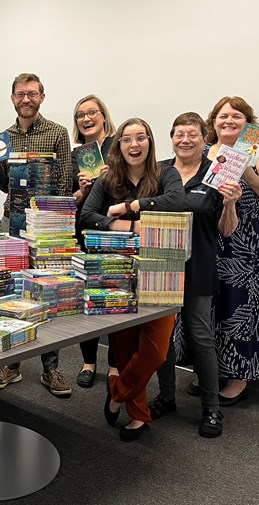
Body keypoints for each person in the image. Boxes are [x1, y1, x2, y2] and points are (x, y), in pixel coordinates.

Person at [80, 118, 184, 441]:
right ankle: (138, 415)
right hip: (116, 272)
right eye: (126, 139)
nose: (134, 145)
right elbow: (86, 217)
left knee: (156, 351)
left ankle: (117, 392)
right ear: (118, 145)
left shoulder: (166, 173)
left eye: (141, 138)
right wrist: (131, 227)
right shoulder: (108, 178)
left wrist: (130, 207)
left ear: (150, 142)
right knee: (124, 347)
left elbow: (177, 202)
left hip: (162, 273)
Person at [148, 113, 241, 438]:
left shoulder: (216, 175)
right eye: (179, 134)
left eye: (193, 135)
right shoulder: (158, 170)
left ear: (205, 140)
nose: (185, 140)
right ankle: (167, 397)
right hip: (159, 267)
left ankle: (212, 409)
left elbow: (226, 231)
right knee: (161, 337)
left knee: (200, 337)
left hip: (199, 267)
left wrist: (229, 204)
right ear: (171, 137)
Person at [0, 73, 73, 398]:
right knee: (12, 290)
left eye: (32, 94)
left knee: (45, 292)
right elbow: (1, 181)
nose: (26, 99)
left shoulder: (57, 133)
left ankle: (50, 367)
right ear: (12, 98)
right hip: (12, 221)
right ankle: (12, 363)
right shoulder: (3, 138)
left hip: (48, 225)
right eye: (20, 94)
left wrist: (50, 219)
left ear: (42, 96)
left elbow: (66, 180)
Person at [205, 96, 259, 405]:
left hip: (250, 241)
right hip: (212, 238)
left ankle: (239, 377)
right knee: (213, 306)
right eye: (223, 115)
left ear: (248, 122)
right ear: (213, 122)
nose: (229, 120)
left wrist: (248, 172)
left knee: (243, 307)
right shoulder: (204, 151)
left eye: (236, 116)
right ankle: (212, 372)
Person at [70, 94, 118, 389]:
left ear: (103, 116)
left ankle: (114, 365)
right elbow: (75, 204)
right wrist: (83, 189)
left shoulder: (119, 146)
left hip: (113, 233)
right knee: (86, 299)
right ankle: (88, 362)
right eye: (79, 115)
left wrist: (111, 178)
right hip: (85, 231)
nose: (86, 119)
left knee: (114, 298)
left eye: (91, 113)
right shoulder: (80, 153)